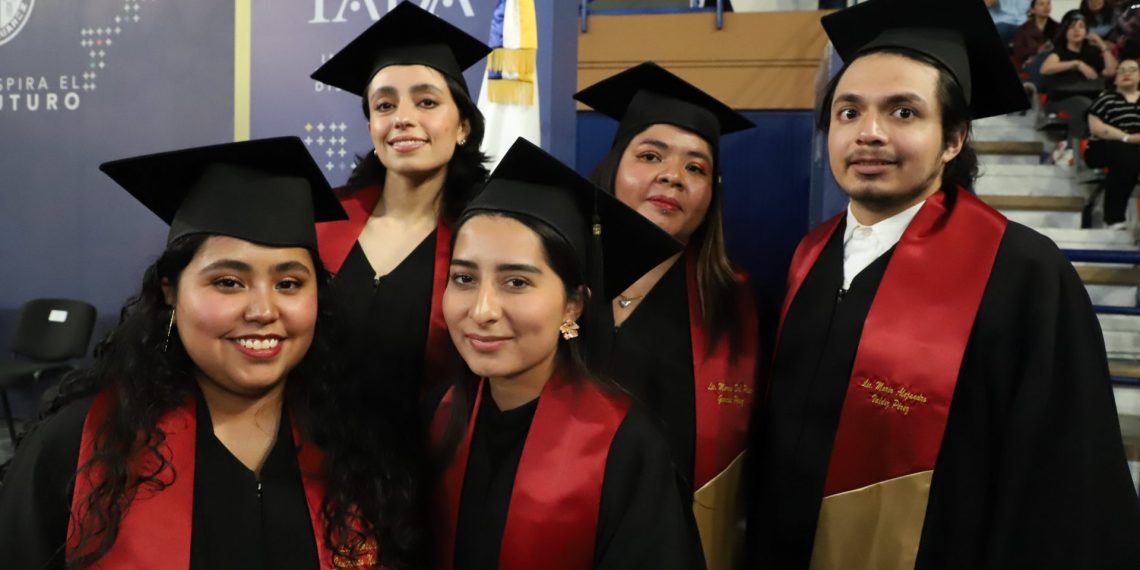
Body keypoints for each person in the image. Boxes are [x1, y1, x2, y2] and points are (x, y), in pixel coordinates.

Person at [749, 0, 1140, 567]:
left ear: (954, 139)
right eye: (848, 112)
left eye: (903, 112)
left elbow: (1066, 481)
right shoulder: (810, 256)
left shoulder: (1022, 271)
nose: (869, 133)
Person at [0, 137, 425, 569]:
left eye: (289, 284)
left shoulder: (359, 445)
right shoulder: (81, 448)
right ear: (170, 291)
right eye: (228, 282)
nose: (263, 311)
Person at [429, 138, 702, 570]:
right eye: (464, 278)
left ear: (573, 305)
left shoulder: (626, 448)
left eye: (516, 282)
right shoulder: (437, 420)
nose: (481, 311)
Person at [574, 62, 759, 570]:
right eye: (650, 156)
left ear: (711, 193)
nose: (672, 176)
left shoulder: (734, 304)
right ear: (613, 168)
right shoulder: (555, 275)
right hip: (556, 522)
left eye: (695, 168)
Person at [310, 2, 491, 397]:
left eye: (426, 102)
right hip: (311, 431)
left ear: (462, 126)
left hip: (437, 435)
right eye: (385, 105)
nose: (402, 118)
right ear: (371, 127)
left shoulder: (485, 234)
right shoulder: (323, 221)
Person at [1041, 10, 1119, 136]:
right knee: (1084, 105)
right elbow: (1045, 68)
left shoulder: (1092, 52)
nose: (1076, 30)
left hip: (1091, 95)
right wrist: (1077, 64)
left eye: (1081, 26)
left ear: (1086, 32)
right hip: (1061, 99)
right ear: (1065, 31)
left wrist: (1101, 44)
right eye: (1072, 27)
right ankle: (1075, 145)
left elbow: (1111, 71)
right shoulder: (1059, 51)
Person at [1086, 58, 1140, 228]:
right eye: (1121, 71)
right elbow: (1096, 127)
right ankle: (1114, 218)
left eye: (1132, 70)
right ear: (1115, 78)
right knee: (1125, 157)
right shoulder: (1106, 99)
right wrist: (1127, 137)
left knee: (1131, 158)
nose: (1126, 74)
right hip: (1107, 146)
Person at [1012, 0, 1058, 65]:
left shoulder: (1058, 27)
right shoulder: (1023, 29)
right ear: (1032, 10)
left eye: (1048, 3)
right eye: (1041, 4)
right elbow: (1018, 51)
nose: (1046, 7)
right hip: (1030, 63)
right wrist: (1036, 50)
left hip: (1053, 63)